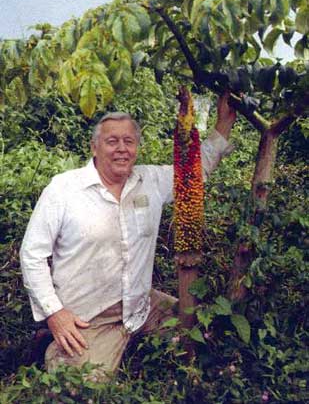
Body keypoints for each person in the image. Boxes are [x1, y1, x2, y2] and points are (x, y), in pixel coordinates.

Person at [20, 92, 236, 375]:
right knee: (79, 383)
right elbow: (32, 255)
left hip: (141, 305)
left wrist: (225, 122)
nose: (121, 148)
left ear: (136, 148)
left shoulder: (151, 180)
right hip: (88, 316)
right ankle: (52, 342)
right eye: (112, 141)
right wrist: (55, 314)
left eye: (128, 141)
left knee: (204, 331)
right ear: (94, 147)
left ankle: (130, 337)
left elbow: (196, 170)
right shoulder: (63, 189)